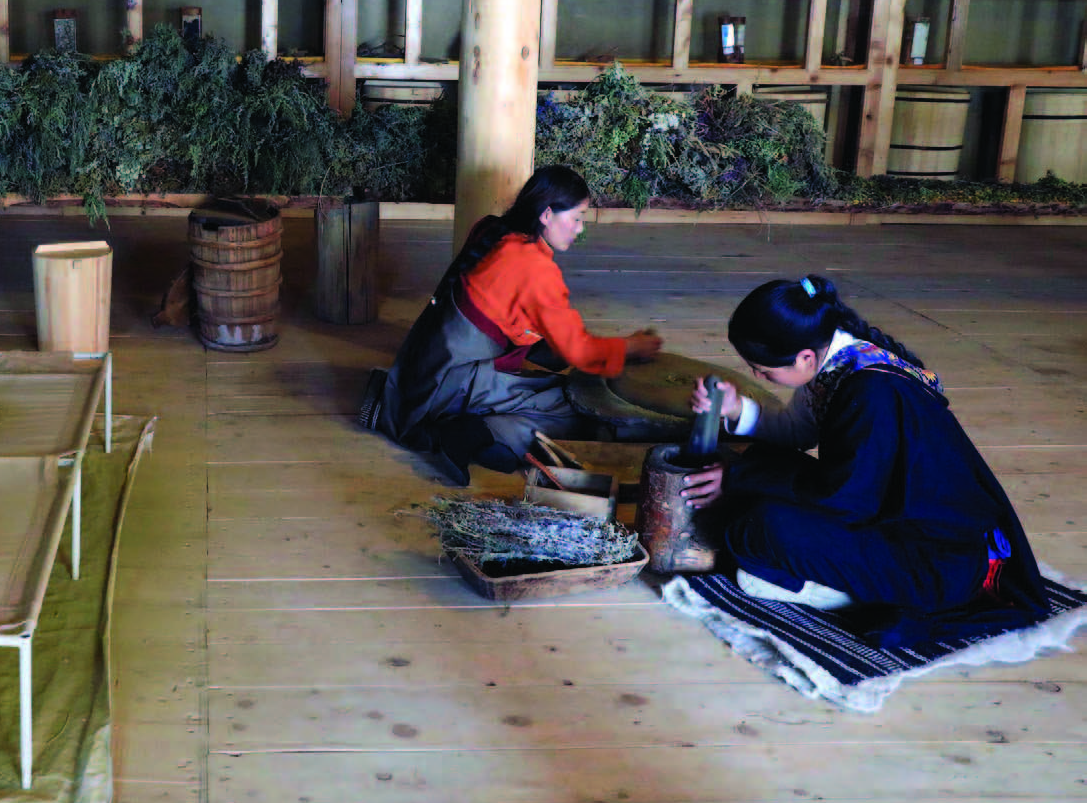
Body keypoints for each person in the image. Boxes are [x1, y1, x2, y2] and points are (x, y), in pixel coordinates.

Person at [683, 274, 1046, 647]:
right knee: (759, 468)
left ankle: (850, 594)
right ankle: (844, 578)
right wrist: (736, 410)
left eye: (762, 370)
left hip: (935, 560)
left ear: (804, 358)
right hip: (887, 515)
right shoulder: (834, 359)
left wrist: (739, 477)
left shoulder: (872, 391)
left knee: (759, 527)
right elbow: (798, 432)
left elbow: (847, 500)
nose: (756, 375)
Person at [363, 166, 662, 482]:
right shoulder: (535, 269)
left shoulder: (491, 230)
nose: (580, 228)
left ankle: (476, 433)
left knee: (551, 382)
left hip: (423, 368)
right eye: (577, 217)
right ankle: (473, 434)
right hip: (450, 385)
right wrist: (631, 347)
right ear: (547, 214)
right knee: (575, 404)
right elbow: (579, 351)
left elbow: (509, 321)